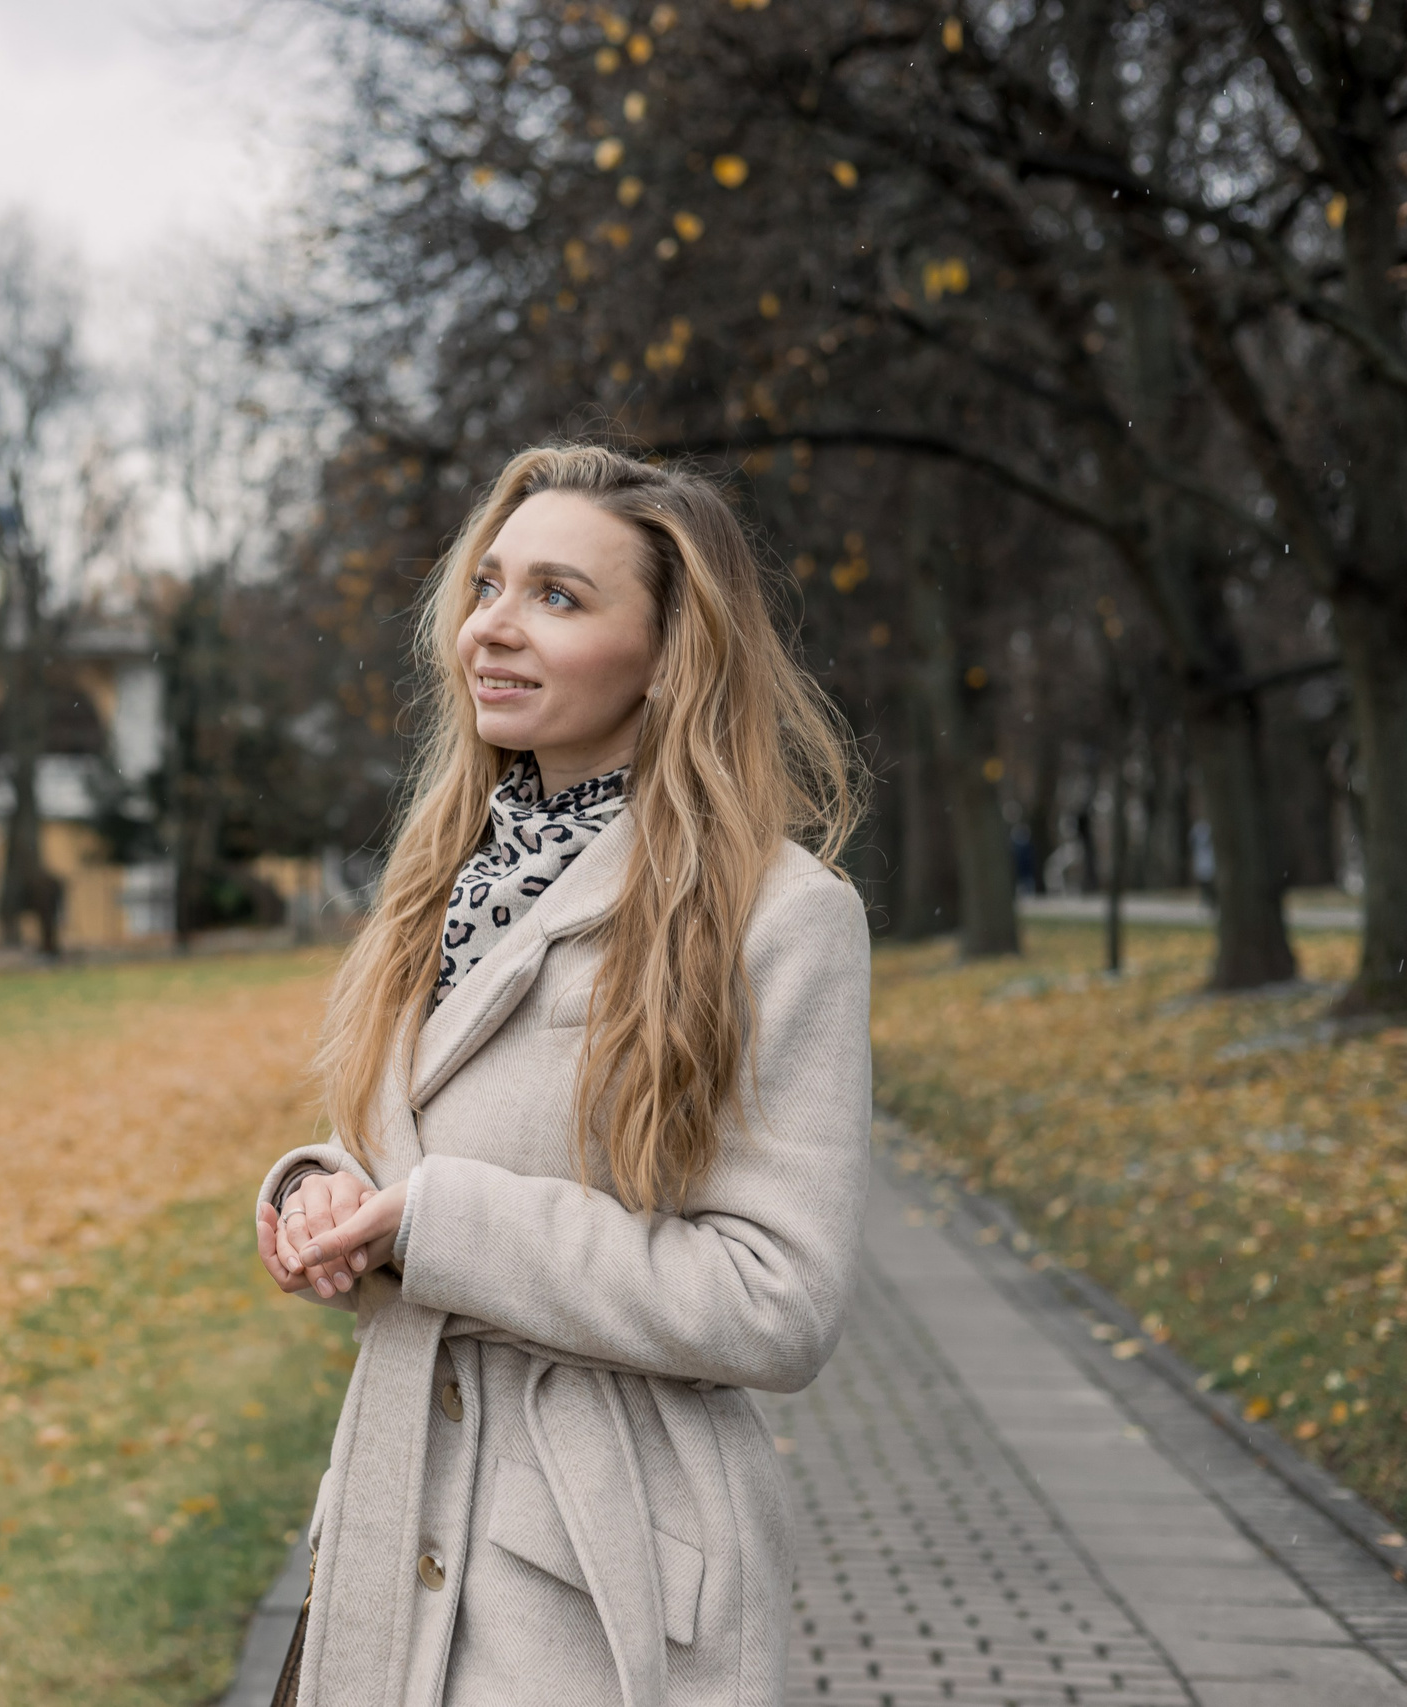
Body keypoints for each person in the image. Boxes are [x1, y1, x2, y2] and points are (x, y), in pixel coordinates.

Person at [254, 444, 870, 1707]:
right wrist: (324, 1196)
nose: (493, 628)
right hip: (387, 1533)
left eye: (558, 597)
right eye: (487, 586)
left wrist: (439, 1228)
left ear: (666, 656)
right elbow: (397, 1169)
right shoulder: (436, 887)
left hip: (593, 1584)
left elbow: (777, 1301)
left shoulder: (779, 917)